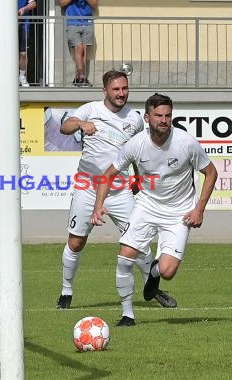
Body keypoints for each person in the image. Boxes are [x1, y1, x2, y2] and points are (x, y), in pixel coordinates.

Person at [55, 72, 178, 320]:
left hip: (120, 190)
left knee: (138, 243)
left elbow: (136, 153)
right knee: (76, 242)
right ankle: (66, 291)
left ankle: (152, 288)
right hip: (87, 187)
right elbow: (64, 126)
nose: (121, 93)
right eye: (116, 89)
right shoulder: (91, 109)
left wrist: (138, 180)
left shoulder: (134, 119)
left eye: (124, 88)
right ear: (105, 91)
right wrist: (80, 124)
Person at [91, 93, 218, 326]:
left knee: (168, 271)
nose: (164, 120)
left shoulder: (186, 142)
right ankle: (127, 315)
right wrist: (98, 205)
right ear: (147, 118)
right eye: (158, 115)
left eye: (168, 115)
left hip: (179, 212)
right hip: (147, 206)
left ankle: (154, 273)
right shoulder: (136, 144)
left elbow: (211, 172)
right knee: (125, 257)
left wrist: (200, 208)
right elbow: (107, 175)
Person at [59, 0, 96, 87]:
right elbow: (62, 3)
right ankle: (82, 77)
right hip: (72, 23)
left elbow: (94, 4)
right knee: (79, 48)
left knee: (84, 51)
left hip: (87, 22)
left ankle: (78, 78)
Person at [17, 0, 36, 87]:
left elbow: (33, 4)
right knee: (8, 53)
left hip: (24, 25)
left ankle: (22, 76)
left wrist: (24, 9)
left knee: (23, 53)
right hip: (6, 25)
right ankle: (8, 76)